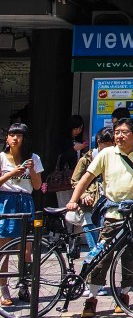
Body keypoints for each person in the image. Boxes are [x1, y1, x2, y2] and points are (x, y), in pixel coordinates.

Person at [66, 117, 133, 318]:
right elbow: (86, 177)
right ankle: (91, 299)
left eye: (124, 132)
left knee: (130, 257)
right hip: (112, 214)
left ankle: (123, 296)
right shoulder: (106, 153)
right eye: (117, 132)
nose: (119, 136)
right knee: (101, 256)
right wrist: (73, 199)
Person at [0, 123, 43, 306]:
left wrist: (31, 169)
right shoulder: (1, 157)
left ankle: (24, 285)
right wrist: (12, 173)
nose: (15, 138)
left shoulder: (33, 158)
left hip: (25, 202)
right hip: (6, 202)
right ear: (7, 138)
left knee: (26, 251)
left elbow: (37, 186)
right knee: (4, 250)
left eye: (19, 135)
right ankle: (3, 290)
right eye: (12, 135)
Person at [72, 128, 115, 252]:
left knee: (104, 244)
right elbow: (75, 180)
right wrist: (83, 194)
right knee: (94, 247)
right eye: (105, 144)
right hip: (89, 204)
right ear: (98, 141)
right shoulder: (86, 159)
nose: (107, 147)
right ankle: (91, 266)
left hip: (108, 202)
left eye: (110, 144)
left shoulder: (115, 158)